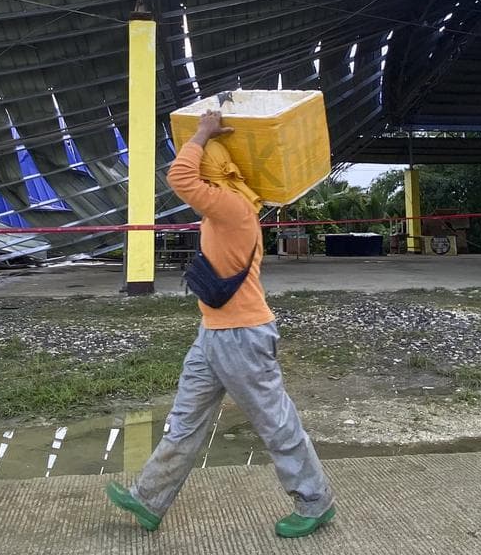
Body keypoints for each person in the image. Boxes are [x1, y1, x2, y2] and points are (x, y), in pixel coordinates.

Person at [106, 110, 335, 539]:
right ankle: (149, 498)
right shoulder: (229, 203)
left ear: (212, 168)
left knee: (275, 422)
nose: (199, 169)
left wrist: (204, 133)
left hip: (242, 336)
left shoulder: (231, 206)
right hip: (214, 333)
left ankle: (315, 501)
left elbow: (180, 176)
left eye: (203, 161)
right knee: (185, 419)